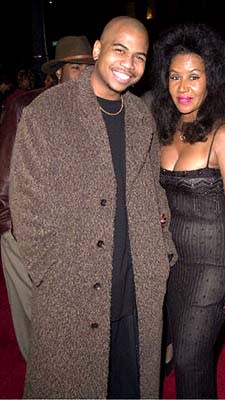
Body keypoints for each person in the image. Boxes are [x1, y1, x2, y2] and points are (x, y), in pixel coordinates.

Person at [9, 16, 176, 399]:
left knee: (129, 384)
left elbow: (152, 186)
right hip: (73, 287)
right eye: (120, 50)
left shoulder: (139, 116)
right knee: (74, 385)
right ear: (98, 51)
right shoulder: (48, 112)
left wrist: (161, 245)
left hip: (137, 283)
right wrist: (50, 271)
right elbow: (26, 202)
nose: (128, 64)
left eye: (139, 56)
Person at [151, 23, 225, 398]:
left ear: (210, 80)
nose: (183, 88)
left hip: (215, 264)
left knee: (188, 358)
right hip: (173, 262)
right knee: (177, 351)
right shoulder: (162, 132)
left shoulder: (224, 136)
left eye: (194, 77)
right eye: (175, 77)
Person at [0, 35, 94, 362]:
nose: (84, 74)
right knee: (34, 318)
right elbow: (6, 171)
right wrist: (9, 228)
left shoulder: (94, 110)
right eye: (76, 67)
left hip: (68, 233)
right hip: (24, 229)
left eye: (90, 67)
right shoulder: (25, 105)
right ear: (58, 72)